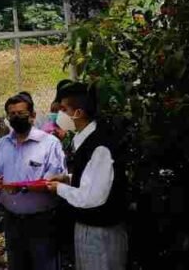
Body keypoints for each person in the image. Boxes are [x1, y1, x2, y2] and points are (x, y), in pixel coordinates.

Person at [47, 82, 128, 270]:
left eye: (63, 109)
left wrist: (60, 188)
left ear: (78, 113)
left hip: (100, 231)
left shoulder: (100, 146)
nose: (59, 115)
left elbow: (91, 197)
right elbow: (94, 179)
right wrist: (68, 178)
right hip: (89, 227)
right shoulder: (87, 141)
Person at [0, 92, 67, 270]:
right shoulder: (1, 145)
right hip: (12, 220)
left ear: (32, 116)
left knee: (44, 265)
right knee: (17, 264)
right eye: (12, 114)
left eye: (21, 113)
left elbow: (54, 181)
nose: (16, 118)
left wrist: (23, 187)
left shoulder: (49, 144)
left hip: (42, 221)